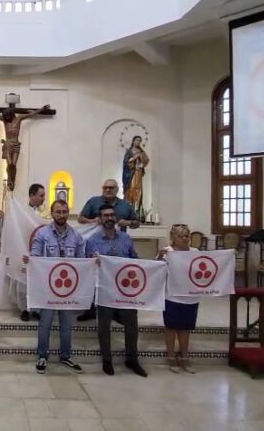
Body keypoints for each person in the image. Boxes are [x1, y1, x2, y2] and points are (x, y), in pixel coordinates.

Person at [85, 204, 147, 377]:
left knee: (132, 323)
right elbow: (87, 264)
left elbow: (134, 259)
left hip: (125, 290)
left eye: (112, 215)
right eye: (106, 215)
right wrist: (93, 261)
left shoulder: (125, 239)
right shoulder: (93, 241)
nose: (110, 218)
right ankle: (107, 360)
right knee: (104, 326)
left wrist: (152, 264)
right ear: (100, 218)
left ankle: (132, 359)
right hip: (104, 289)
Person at [24, 199, 85, 375]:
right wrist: (30, 259)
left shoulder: (76, 236)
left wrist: (91, 261)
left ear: (68, 212)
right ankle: (42, 356)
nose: (61, 215)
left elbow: (82, 260)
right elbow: (35, 254)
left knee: (67, 324)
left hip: (68, 289)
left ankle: (66, 355)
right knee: (45, 323)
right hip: (48, 288)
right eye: (58, 212)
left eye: (64, 211)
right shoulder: (42, 234)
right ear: (52, 213)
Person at [76, 178, 140, 321]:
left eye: (111, 188)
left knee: (118, 279)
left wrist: (128, 222)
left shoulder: (125, 205)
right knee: (95, 278)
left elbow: (137, 222)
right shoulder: (93, 202)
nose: (108, 190)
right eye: (105, 187)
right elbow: (80, 218)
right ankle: (91, 309)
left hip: (119, 246)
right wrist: (92, 221)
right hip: (98, 244)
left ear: (117, 189)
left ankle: (117, 310)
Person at [0, 104, 50, 190]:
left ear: (11, 114)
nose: (6, 118)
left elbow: (31, 114)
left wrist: (42, 109)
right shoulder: (4, 121)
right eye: (5, 117)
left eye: (7, 116)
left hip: (16, 145)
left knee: (13, 165)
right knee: (9, 164)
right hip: (8, 145)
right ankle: (9, 181)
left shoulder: (19, 119)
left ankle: (12, 180)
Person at [0, 183, 49, 321]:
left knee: (39, 283)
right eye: (41, 195)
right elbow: (12, 228)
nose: (44, 198)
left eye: (44, 195)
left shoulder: (47, 213)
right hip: (24, 249)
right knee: (23, 283)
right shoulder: (22, 211)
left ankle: (37, 309)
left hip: (40, 253)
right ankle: (24, 309)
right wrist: (3, 219)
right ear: (32, 195)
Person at [157, 224, 198, 374]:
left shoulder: (195, 252)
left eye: (187, 236)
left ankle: (185, 357)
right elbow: (156, 271)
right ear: (173, 238)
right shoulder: (168, 252)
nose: (185, 239)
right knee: (171, 327)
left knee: (185, 328)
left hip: (190, 296)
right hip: (171, 295)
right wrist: (160, 257)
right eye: (181, 236)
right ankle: (170, 356)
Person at [122, 136, 150, 214]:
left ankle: (137, 209)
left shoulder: (141, 151)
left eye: (139, 141)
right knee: (131, 188)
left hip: (138, 172)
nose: (138, 142)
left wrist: (142, 164)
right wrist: (135, 157)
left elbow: (146, 160)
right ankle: (129, 207)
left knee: (139, 189)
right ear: (133, 141)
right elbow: (126, 162)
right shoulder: (129, 151)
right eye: (137, 140)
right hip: (131, 173)